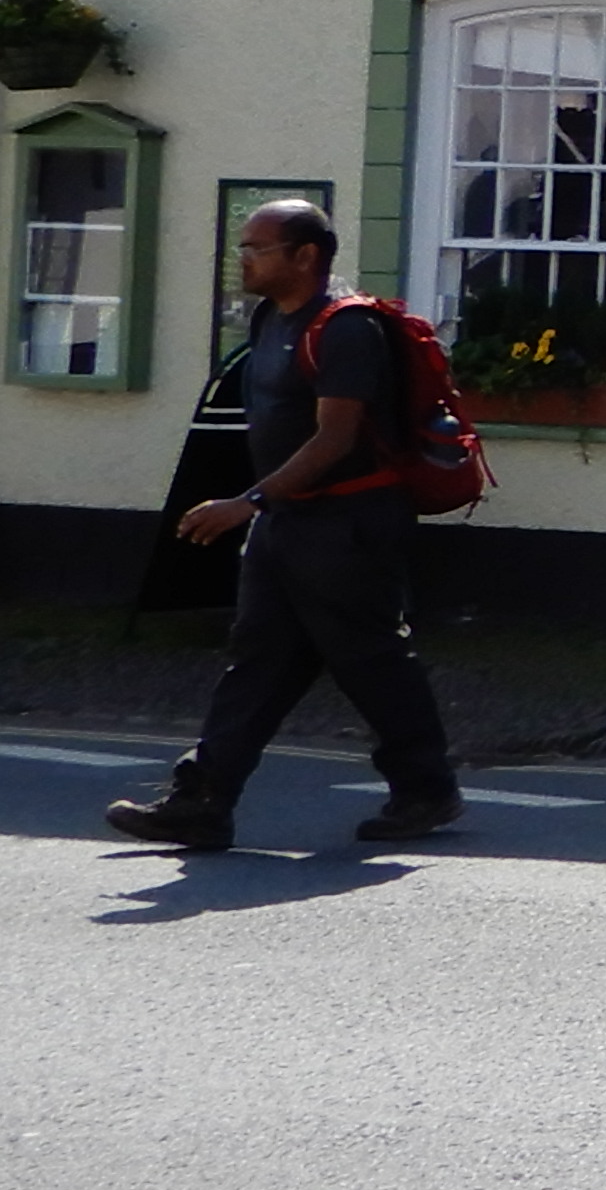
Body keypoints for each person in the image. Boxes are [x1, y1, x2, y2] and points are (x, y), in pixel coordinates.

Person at [104, 201, 464, 854]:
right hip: (287, 521)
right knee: (257, 660)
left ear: (305, 255)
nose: (242, 259)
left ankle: (427, 789)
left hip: (348, 524)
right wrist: (263, 506)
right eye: (243, 247)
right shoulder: (270, 319)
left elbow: (334, 439)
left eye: (257, 248)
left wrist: (248, 502)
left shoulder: (347, 329)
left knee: (370, 659)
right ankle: (202, 802)